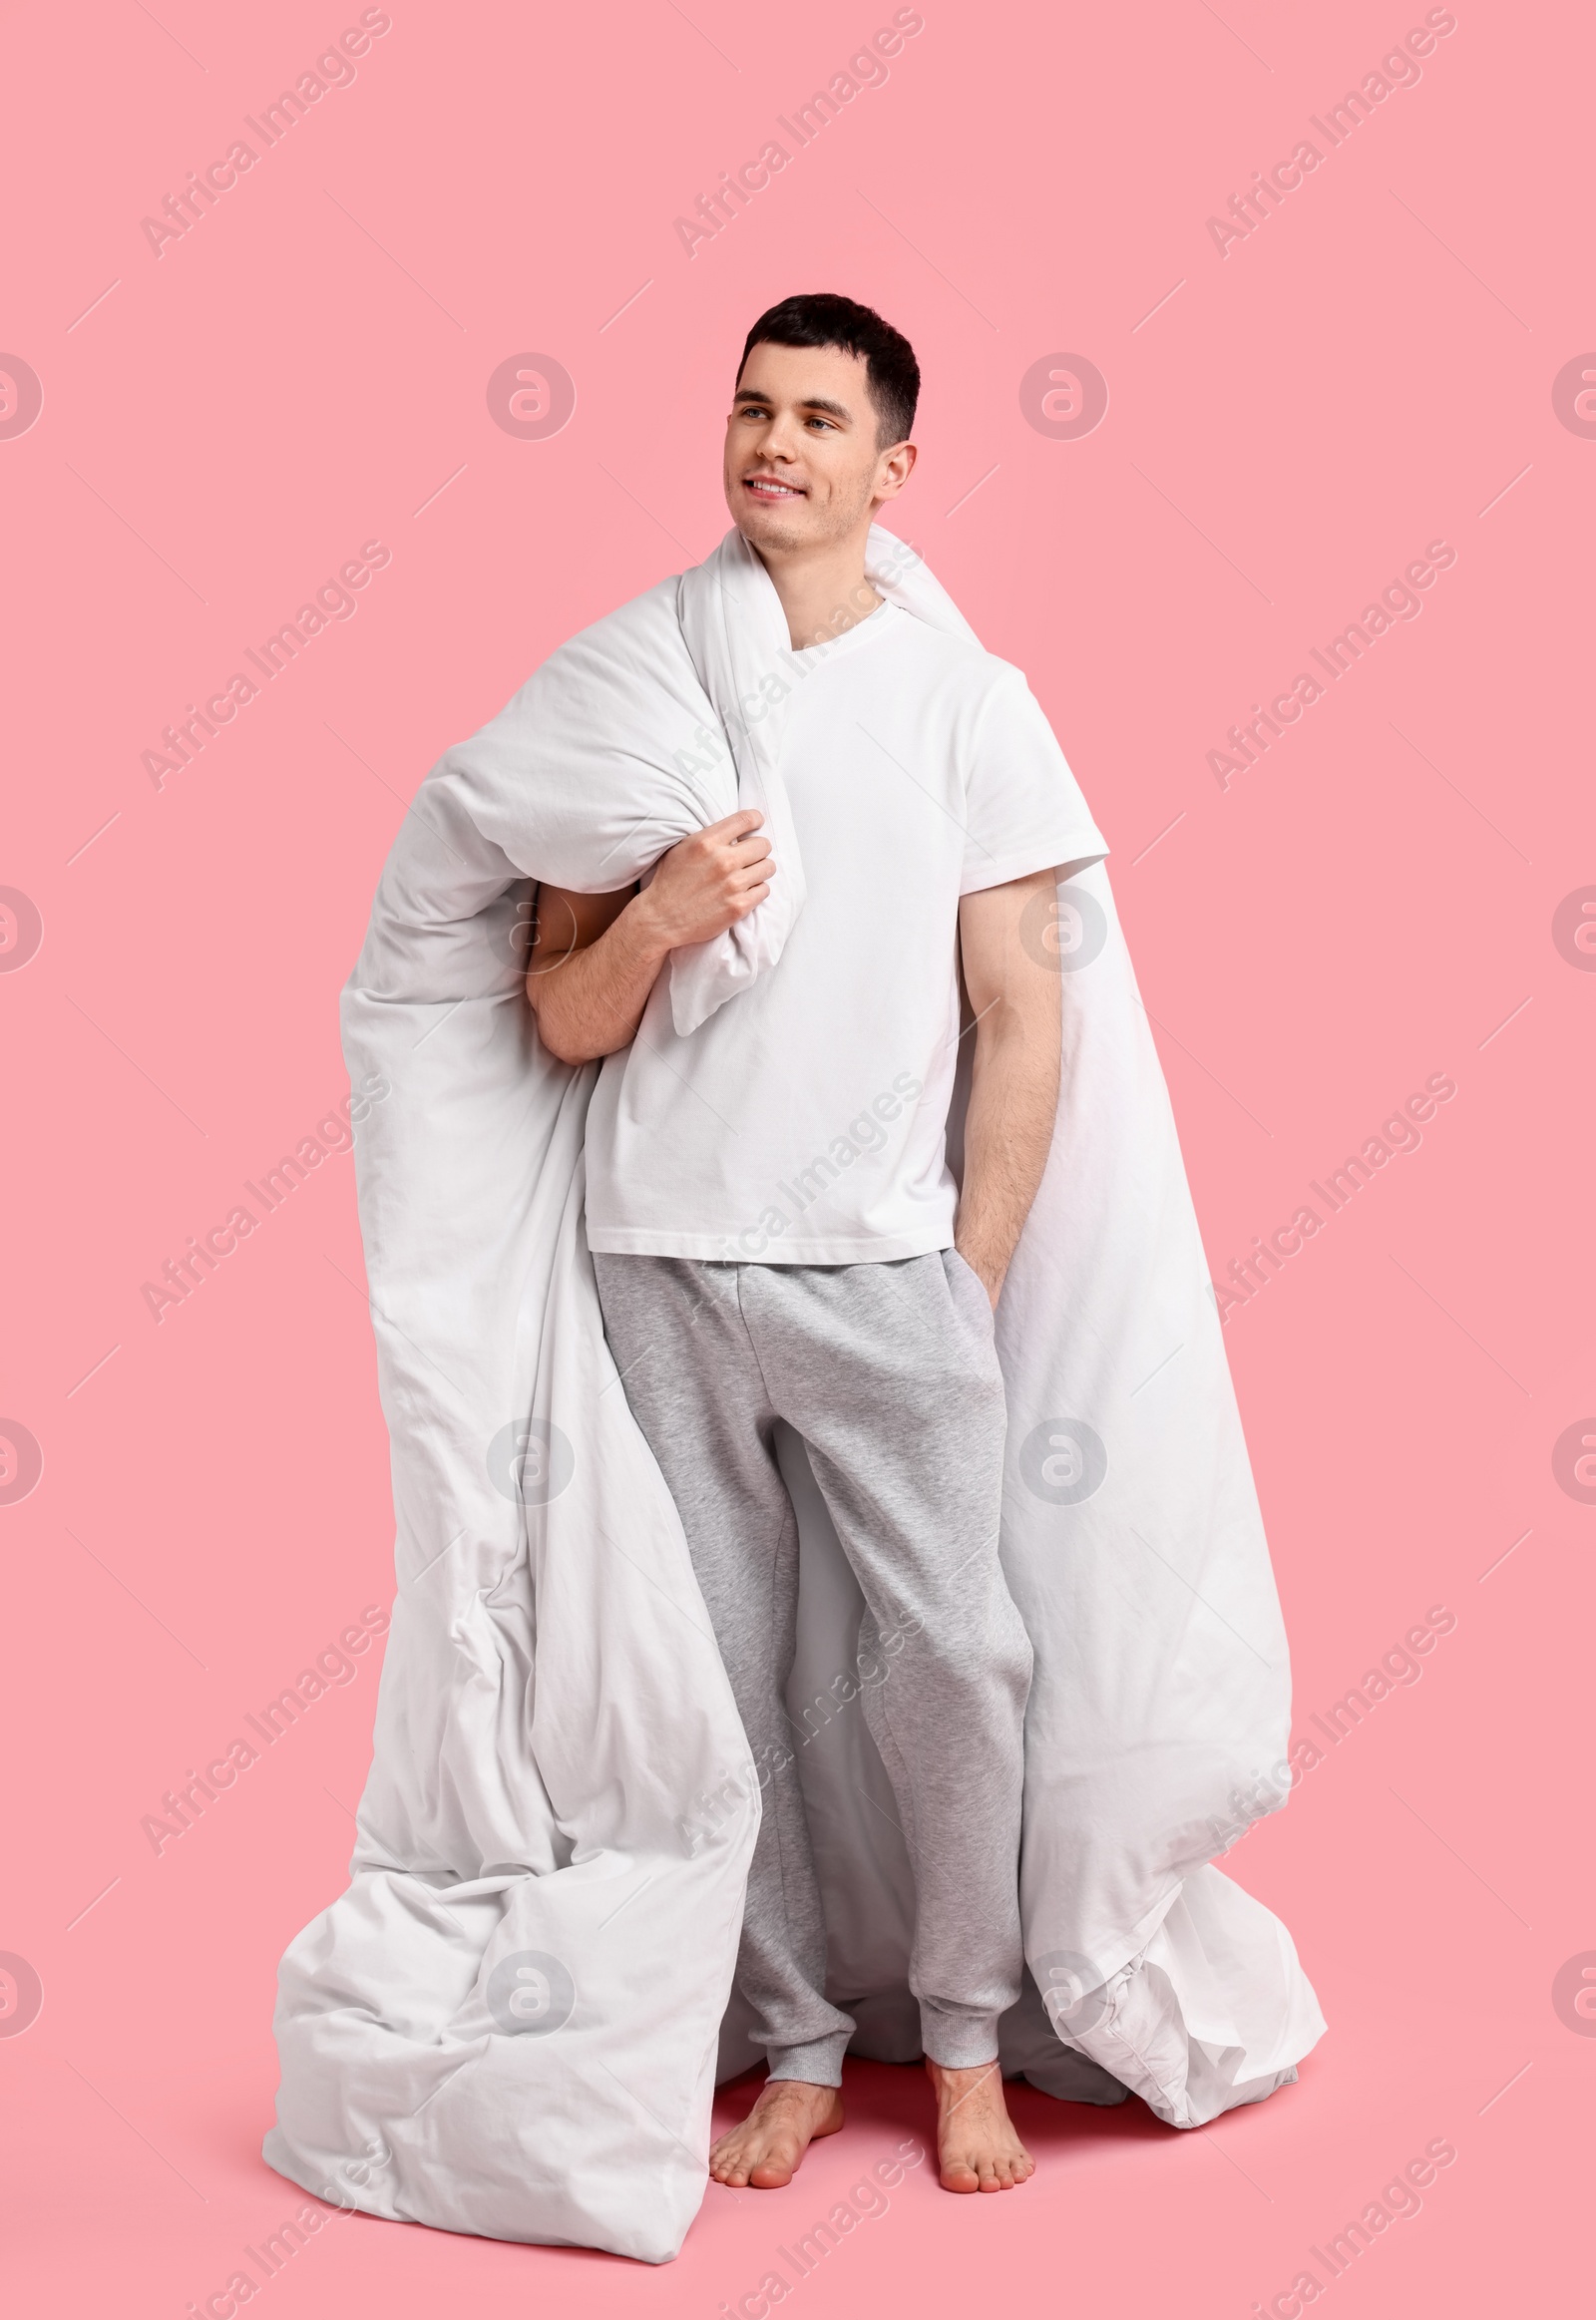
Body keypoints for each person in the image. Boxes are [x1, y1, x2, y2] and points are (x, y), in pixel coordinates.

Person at [523, 294, 1100, 2197]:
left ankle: (956, 2044)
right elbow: (563, 1018)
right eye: (753, 409)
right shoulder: (633, 684)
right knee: (716, 1676)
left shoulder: (970, 703)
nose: (776, 443)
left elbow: (1026, 1010)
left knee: (961, 1660)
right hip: (658, 1258)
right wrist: (663, 913)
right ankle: (782, 2039)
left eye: (821, 419)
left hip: (880, 1270)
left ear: (892, 465)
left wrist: (974, 1274)